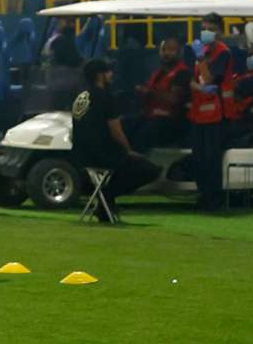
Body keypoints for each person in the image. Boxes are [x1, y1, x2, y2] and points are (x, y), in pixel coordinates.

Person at [72, 58, 162, 220]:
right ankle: (106, 195)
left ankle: (105, 208)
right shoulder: (106, 97)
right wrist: (128, 151)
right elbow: (116, 131)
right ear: (100, 75)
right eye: (108, 72)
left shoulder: (81, 97)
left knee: (118, 173)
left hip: (80, 154)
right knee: (150, 170)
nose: (111, 75)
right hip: (101, 154)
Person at [188, 12, 232, 211]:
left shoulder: (222, 53)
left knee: (212, 158)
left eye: (211, 29)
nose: (206, 32)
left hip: (216, 114)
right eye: (204, 28)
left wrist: (200, 59)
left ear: (220, 32)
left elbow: (210, 80)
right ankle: (203, 195)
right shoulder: (202, 51)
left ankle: (214, 200)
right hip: (199, 113)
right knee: (199, 157)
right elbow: (194, 81)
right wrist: (198, 88)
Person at [125, 36, 190, 150]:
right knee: (124, 127)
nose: (166, 53)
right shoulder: (159, 73)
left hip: (171, 121)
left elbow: (173, 99)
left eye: (171, 50)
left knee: (142, 136)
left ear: (179, 53)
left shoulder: (182, 73)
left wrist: (149, 92)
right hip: (151, 116)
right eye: (164, 49)